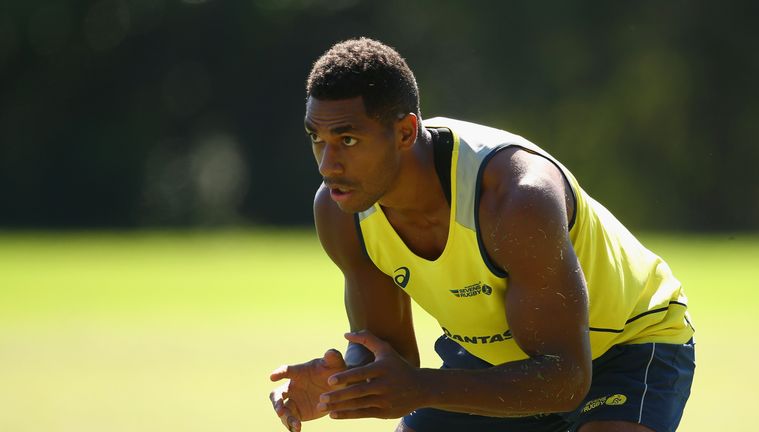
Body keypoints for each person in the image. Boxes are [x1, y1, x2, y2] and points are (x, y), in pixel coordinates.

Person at [269, 37, 695, 432]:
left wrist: (421, 387)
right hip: (494, 361)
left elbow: (565, 379)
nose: (328, 165)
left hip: (626, 346)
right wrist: (344, 380)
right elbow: (393, 358)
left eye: (347, 139)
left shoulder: (516, 198)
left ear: (405, 132)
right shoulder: (340, 211)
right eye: (317, 139)